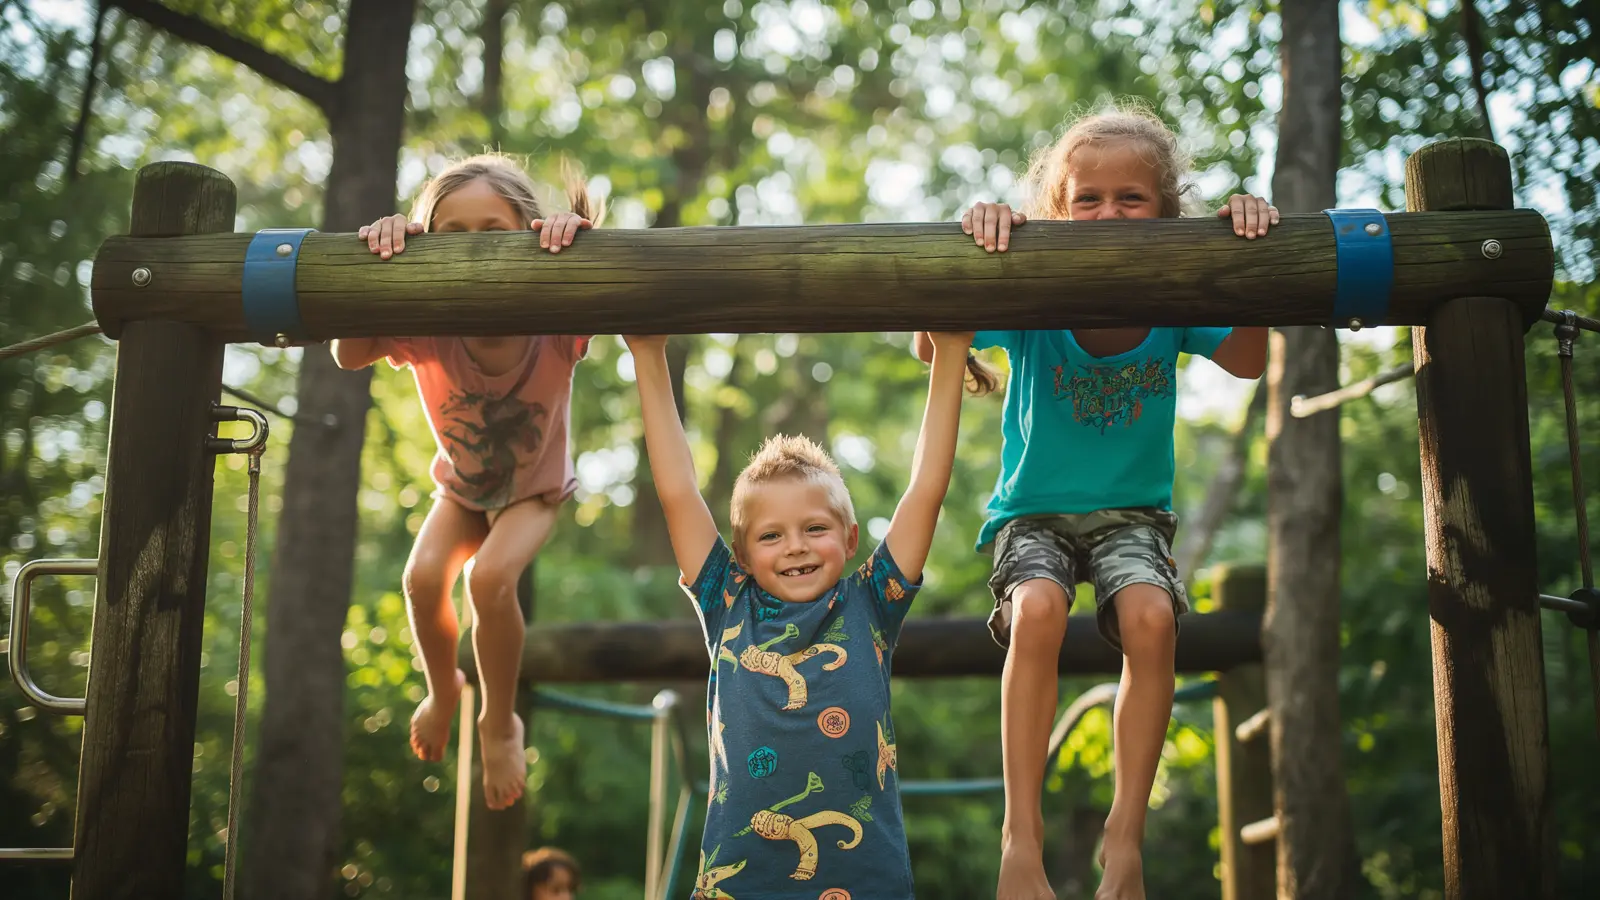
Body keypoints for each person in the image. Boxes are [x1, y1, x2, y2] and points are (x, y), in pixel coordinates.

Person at [916, 103, 1275, 900]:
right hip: (1032, 514)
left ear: (1165, 211)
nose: (1108, 213)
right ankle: (1021, 837)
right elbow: (930, 340)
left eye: (1131, 198)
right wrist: (979, 238)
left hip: (1132, 517)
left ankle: (1125, 839)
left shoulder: (1176, 294)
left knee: (1151, 617)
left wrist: (1246, 247)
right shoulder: (1035, 289)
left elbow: (1250, 360)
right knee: (1037, 611)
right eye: (1088, 198)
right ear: (1056, 211)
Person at [625, 329, 971, 899]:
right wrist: (648, 353)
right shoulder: (728, 602)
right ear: (741, 555)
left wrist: (952, 349)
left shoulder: (871, 603)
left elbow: (925, 490)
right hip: (743, 878)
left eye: (815, 528)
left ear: (851, 537)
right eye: (771, 535)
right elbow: (679, 493)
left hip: (864, 878)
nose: (796, 546)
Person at [330, 153, 600, 810]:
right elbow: (348, 352)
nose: (474, 251)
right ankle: (444, 688)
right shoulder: (428, 323)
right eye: (451, 235)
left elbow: (600, 280)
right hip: (463, 491)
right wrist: (384, 258)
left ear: (527, 232)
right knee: (422, 581)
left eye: (493, 230)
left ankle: (497, 720)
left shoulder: (553, 319)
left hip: (535, 493)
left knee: (488, 581)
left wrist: (573, 239)